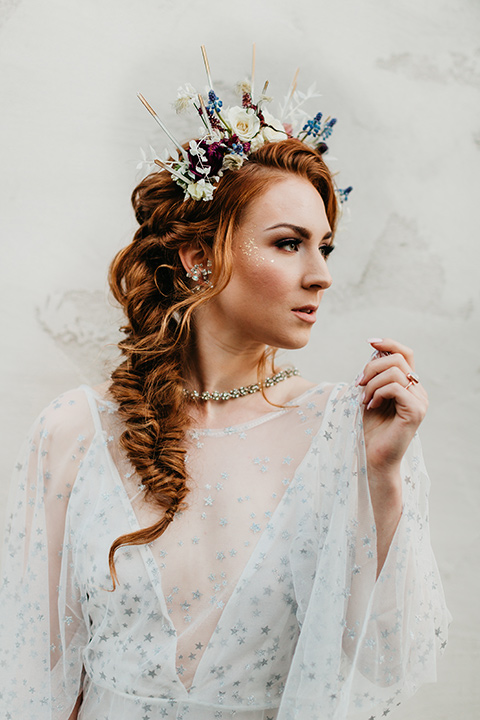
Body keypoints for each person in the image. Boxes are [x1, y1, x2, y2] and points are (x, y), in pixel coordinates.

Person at [0, 54, 449, 720]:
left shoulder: (350, 432)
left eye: (326, 247)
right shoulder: (75, 432)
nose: (322, 274)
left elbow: (386, 662)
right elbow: (36, 681)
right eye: (289, 243)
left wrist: (382, 477)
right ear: (200, 255)